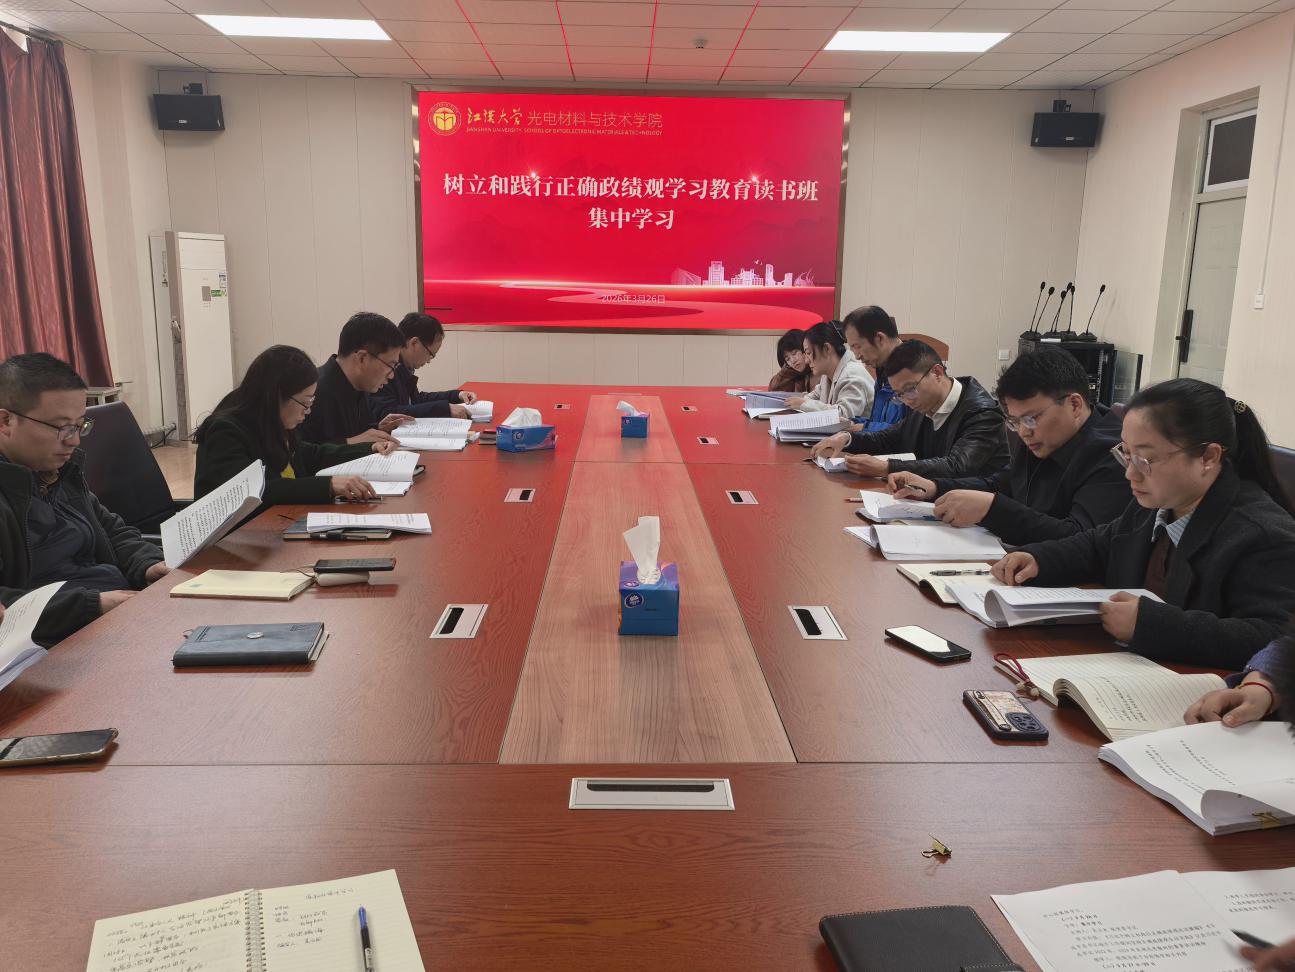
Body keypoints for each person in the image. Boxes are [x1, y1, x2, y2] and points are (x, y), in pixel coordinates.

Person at [992, 378, 1295, 670]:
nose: (1130, 474)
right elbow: (1099, 545)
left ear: (1208, 456)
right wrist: (1039, 559)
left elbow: (1274, 640)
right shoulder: (1158, 503)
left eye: (1145, 460)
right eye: (1126, 454)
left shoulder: (1262, 534)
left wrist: (1153, 625)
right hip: (1127, 665)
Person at [0, 353, 169, 645]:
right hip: (56, 641)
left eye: (80, 425)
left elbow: (112, 531)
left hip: (114, 614)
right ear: (5, 421)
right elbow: (6, 606)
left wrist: (147, 564)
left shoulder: (58, 473)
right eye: (61, 427)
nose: (74, 440)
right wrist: (91, 606)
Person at [888, 349, 1128, 545]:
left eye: (1031, 418)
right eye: (1014, 421)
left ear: (1074, 405)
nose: (1023, 432)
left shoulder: (1113, 455)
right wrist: (934, 487)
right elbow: (1002, 483)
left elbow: (1080, 538)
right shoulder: (1039, 436)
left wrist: (992, 510)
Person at [194, 345, 392, 507]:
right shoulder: (225, 432)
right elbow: (257, 491)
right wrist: (328, 485)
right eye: (305, 402)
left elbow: (313, 455)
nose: (308, 411)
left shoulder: (274, 423)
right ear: (276, 396)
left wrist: (369, 449)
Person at [810, 340, 1009, 479]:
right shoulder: (923, 403)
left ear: (937, 372)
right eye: (899, 395)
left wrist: (887, 468)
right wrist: (847, 438)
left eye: (910, 390)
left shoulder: (982, 413)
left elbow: (956, 467)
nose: (906, 401)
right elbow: (891, 437)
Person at [298, 312, 412, 445]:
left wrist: (378, 429)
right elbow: (300, 452)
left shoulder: (360, 385)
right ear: (362, 358)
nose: (392, 375)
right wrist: (350, 442)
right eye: (391, 366)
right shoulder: (314, 392)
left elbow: (353, 433)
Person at [368, 313, 478, 421]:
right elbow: (387, 412)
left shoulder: (405, 367)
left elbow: (415, 400)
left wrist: (456, 395)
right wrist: (443, 408)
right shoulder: (387, 367)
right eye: (430, 354)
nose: (429, 361)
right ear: (414, 343)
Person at [784, 321, 872, 422]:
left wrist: (803, 404)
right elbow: (813, 396)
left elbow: (845, 416)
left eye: (809, 353)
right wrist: (797, 402)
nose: (807, 361)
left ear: (826, 349)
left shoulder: (851, 375)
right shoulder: (827, 374)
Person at [841, 305, 908, 431]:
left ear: (879, 338)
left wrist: (863, 427)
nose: (857, 356)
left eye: (857, 346)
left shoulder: (912, 369)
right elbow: (879, 422)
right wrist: (852, 422)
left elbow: (908, 431)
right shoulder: (882, 370)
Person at [768, 329, 811, 394]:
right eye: (788, 359)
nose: (793, 361)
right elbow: (773, 390)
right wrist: (787, 371)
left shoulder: (818, 371)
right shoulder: (793, 375)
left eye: (795, 353)